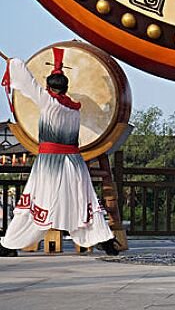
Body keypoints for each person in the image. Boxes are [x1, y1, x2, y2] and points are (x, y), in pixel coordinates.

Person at [0, 48, 118, 257]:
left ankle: (10, 244)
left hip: (50, 163)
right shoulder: (74, 109)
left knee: (37, 200)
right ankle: (105, 241)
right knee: (82, 201)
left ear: (48, 88)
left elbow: (28, 84)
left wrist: (15, 63)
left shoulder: (48, 101)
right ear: (66, 88)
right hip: (74, 162)